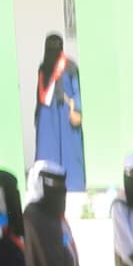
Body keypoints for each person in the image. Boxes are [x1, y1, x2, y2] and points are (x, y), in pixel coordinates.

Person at [32, 33, 84, 194]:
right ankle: (46, 186)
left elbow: (77, 92)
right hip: (47, 116)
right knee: (48, 153)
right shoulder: (43, 68)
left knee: (70, 152)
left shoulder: (70, 67)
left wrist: (77, 110)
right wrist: (37, 115)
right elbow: (38, 93)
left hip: (65, 115)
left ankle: (73, 186)